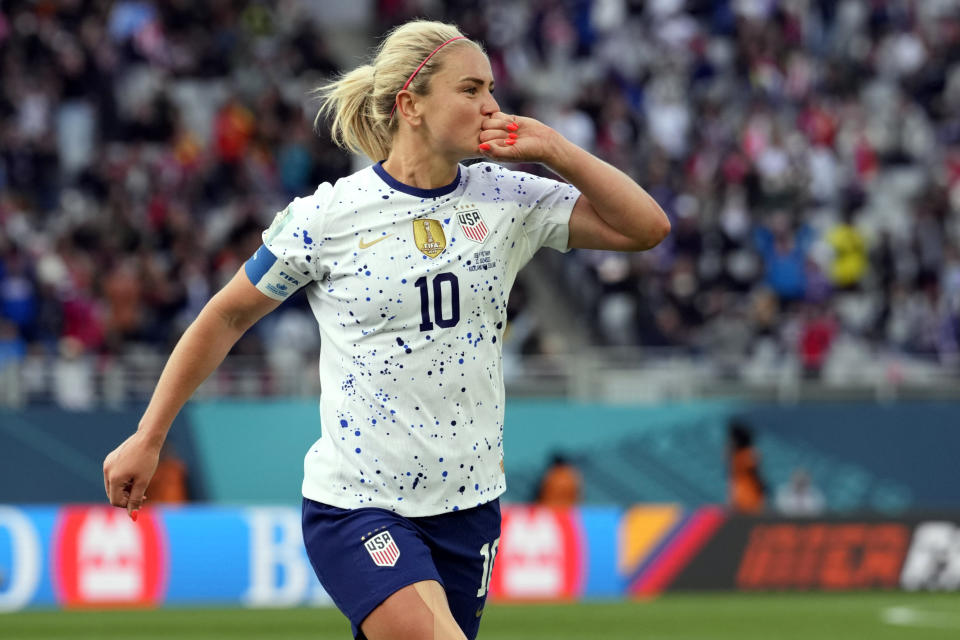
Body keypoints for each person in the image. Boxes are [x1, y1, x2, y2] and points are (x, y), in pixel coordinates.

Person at [102, 20, 669, 640]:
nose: (491, 106)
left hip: (469, 505)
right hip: (359, 503)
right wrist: (148, 436)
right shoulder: (329, 215)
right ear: (411, 106)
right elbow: (226, 315)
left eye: (491, 89)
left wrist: (556, 151)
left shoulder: (509, 198)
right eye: (471, 89)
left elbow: (646, 229)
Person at [727, 419, 767, 514]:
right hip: (744, 496)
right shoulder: (740, 455)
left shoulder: (745, 454)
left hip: (747, 496)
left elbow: (756, 474)